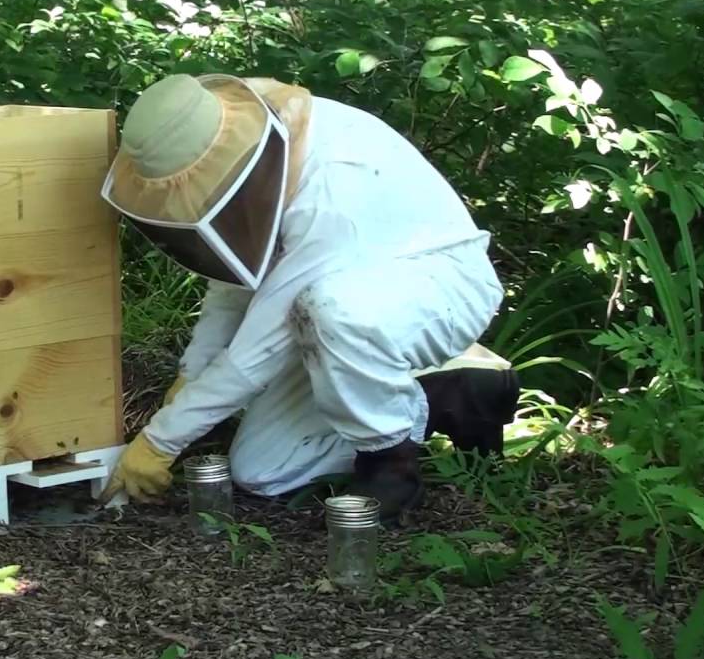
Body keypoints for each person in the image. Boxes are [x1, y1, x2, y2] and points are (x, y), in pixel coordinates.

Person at [97, 73, 520, 521]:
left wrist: (161, 440)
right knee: (263, 470)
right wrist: (192, 372)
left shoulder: (331, 192)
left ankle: (391, 463)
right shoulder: (249, 149)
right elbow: (234, 280)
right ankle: (441, 393)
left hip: (437, 287)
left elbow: (263, 343)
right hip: (338, 309)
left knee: (331, 310)